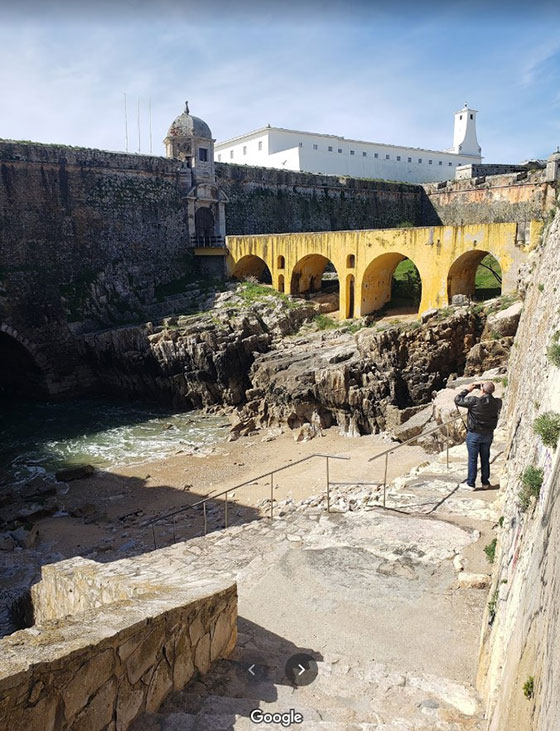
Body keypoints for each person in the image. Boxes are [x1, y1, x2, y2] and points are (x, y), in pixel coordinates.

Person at [454, 381, 502, 488]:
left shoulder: (474, 401)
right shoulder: (498, 402)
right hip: (488, 434)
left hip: (474, 435)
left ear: (482, 390)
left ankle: (471, 483)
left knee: (473, 459)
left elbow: (457, 400)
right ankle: (485, 482)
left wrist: (467, 390)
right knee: (485, 458)